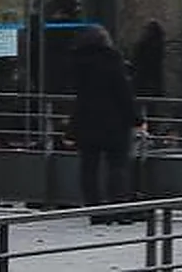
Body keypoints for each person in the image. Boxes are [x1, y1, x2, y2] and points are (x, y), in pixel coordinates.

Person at [69, 25, 143, 225]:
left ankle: (95, 211)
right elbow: (123, 93)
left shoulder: (78, 61)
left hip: (86, 122)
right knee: (117, 167)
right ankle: (118, 208)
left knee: (88, 169)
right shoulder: (112, 60)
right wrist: (136, 119)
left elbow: (77, 96)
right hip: (114, 123)